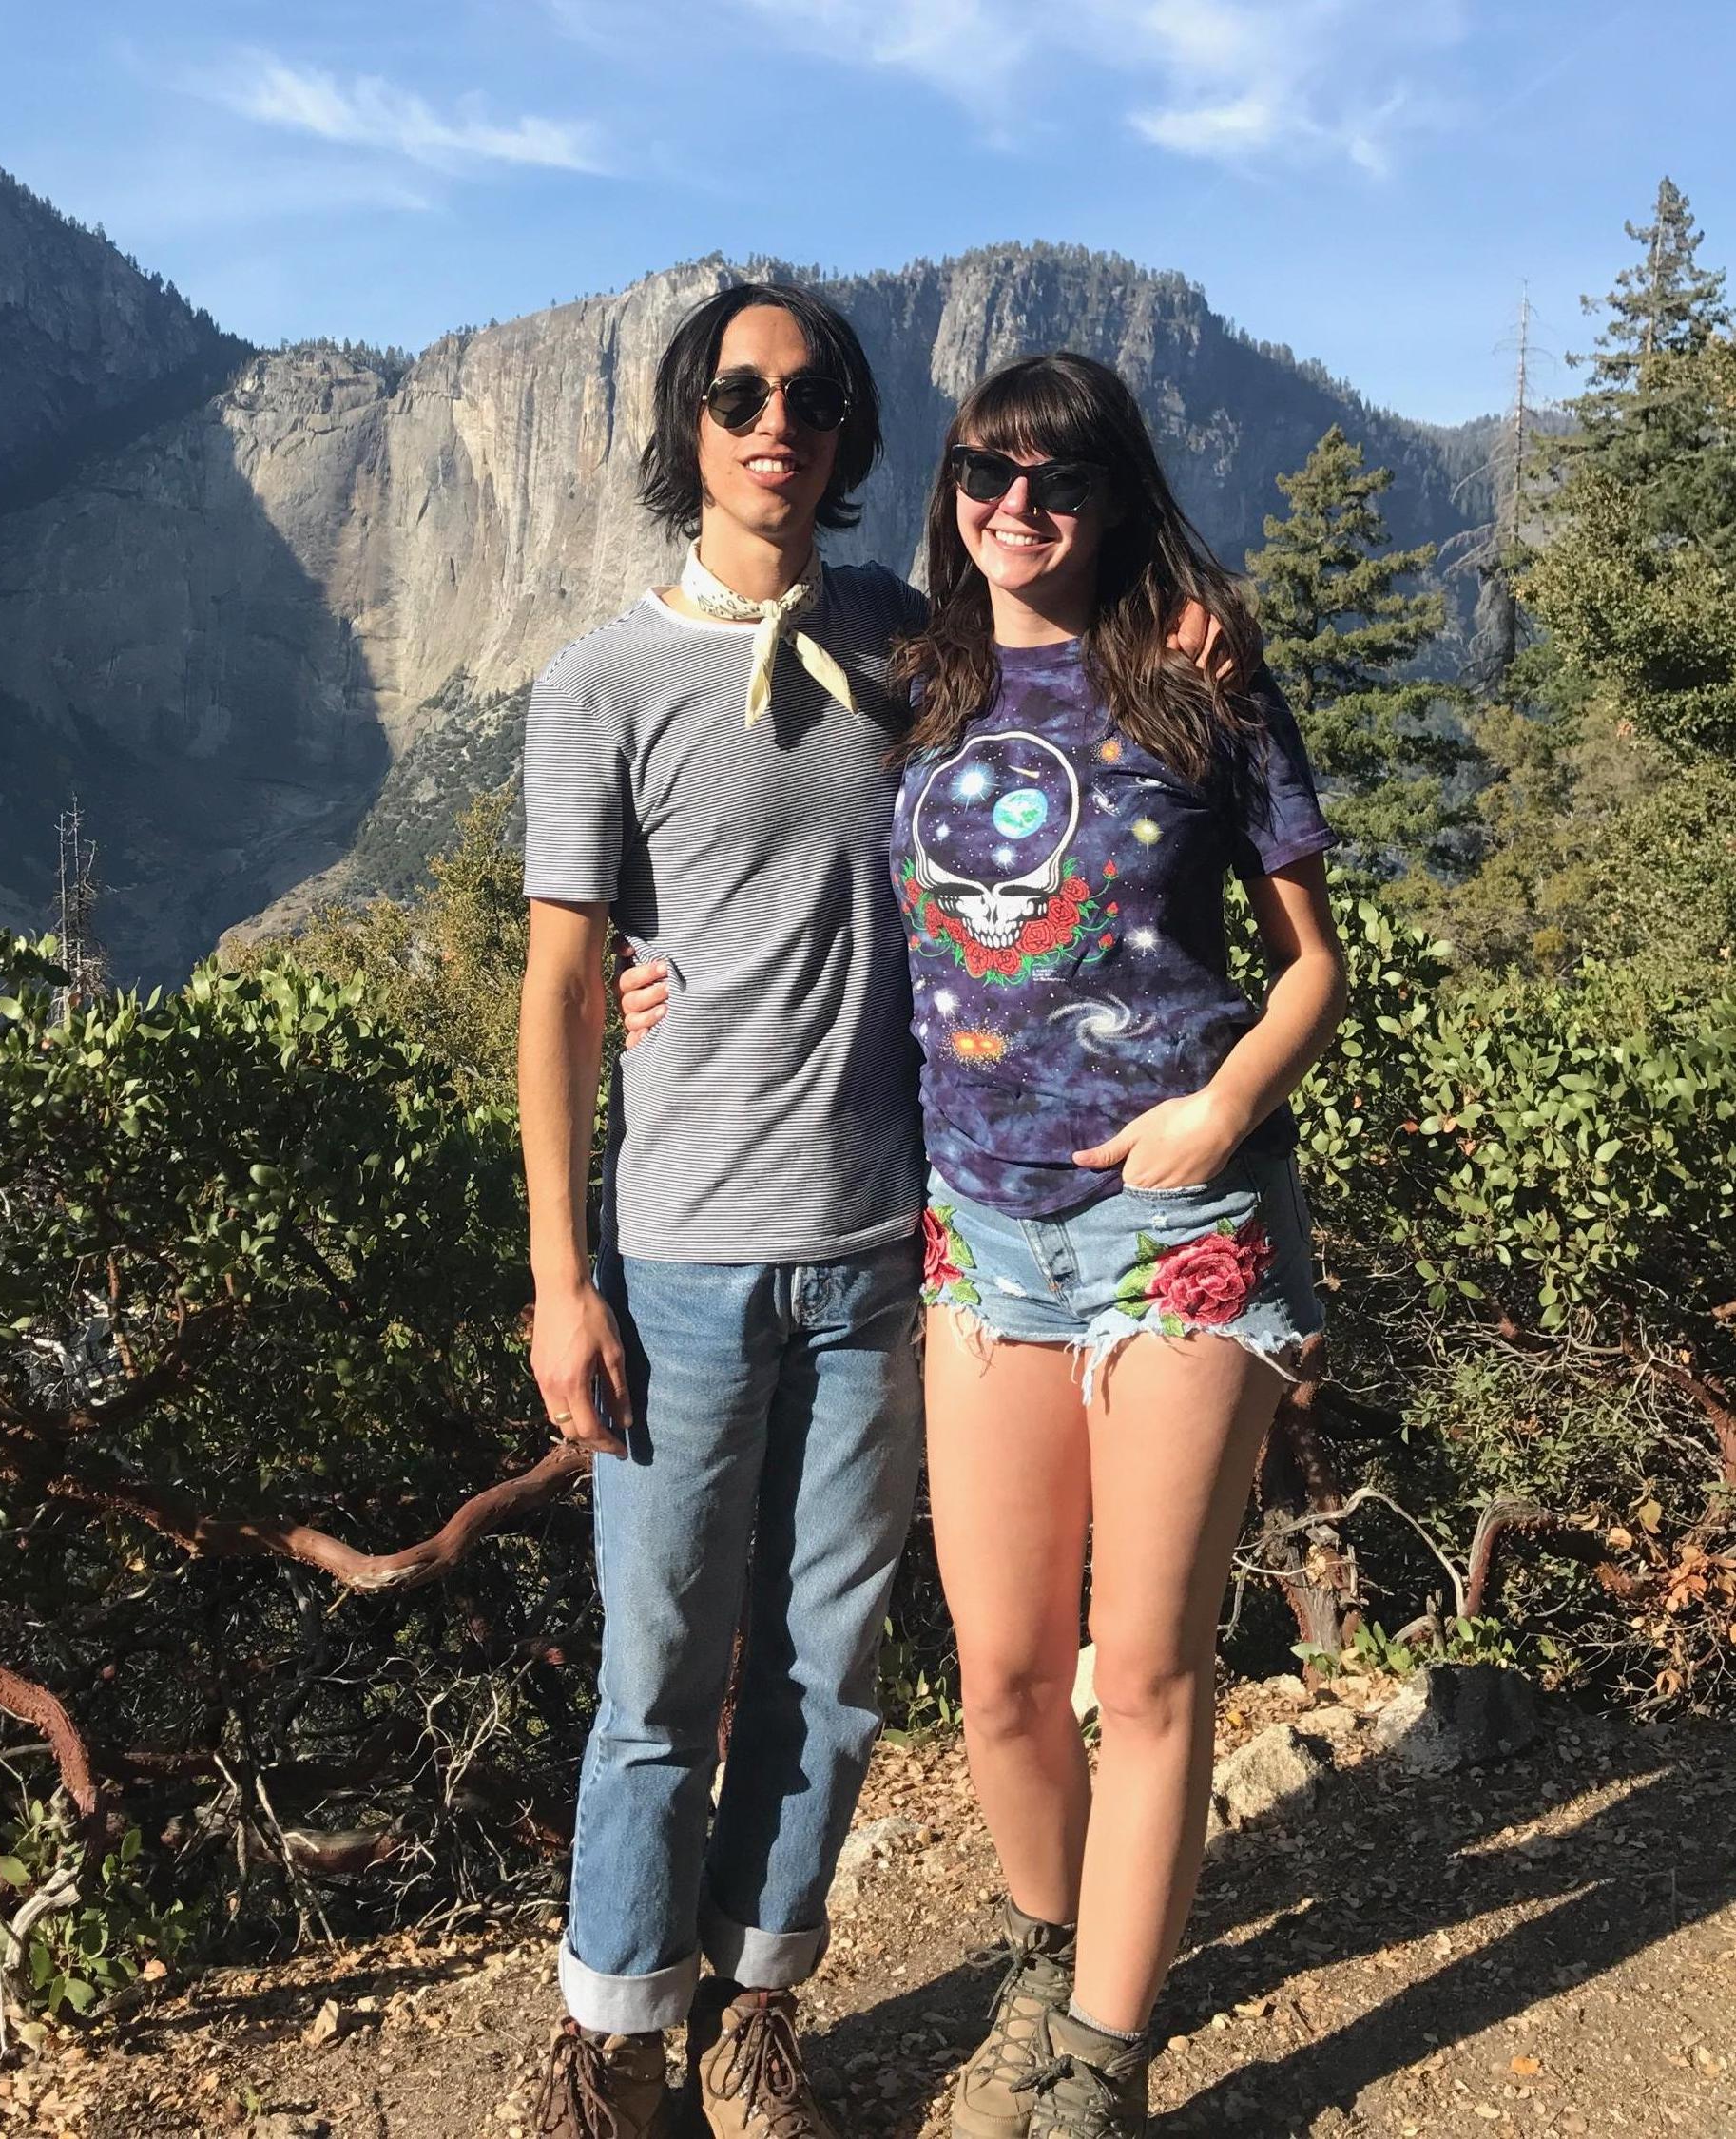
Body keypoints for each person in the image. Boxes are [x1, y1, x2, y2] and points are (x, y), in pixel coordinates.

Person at [523, 283, 1230, 2139]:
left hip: (883, 1258)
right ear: (691, 422)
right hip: (671, 1258)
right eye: (744, 391)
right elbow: (560, 988)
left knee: (831, 1677)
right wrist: (555, 1278)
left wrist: (1184, 615)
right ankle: (607, 2043)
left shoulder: (918, 653)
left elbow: (1079, 703)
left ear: (847, 438)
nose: (780, 420)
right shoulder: (599, 682)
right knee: (659, 1671)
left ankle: (758, 2015)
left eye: (817, 395)